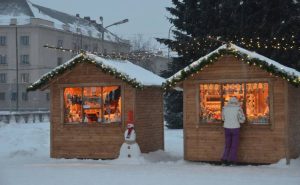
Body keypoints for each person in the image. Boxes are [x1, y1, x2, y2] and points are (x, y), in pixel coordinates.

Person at [221, 96, 245, 166]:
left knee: (227, 145)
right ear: (236, 102)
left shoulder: (224, 108)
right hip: (235, 128)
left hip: (227, 128)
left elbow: (223, 118)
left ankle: (224, 159)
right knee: (234, 145)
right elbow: (242, 120)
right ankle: (232, 160)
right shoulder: (238, 109)